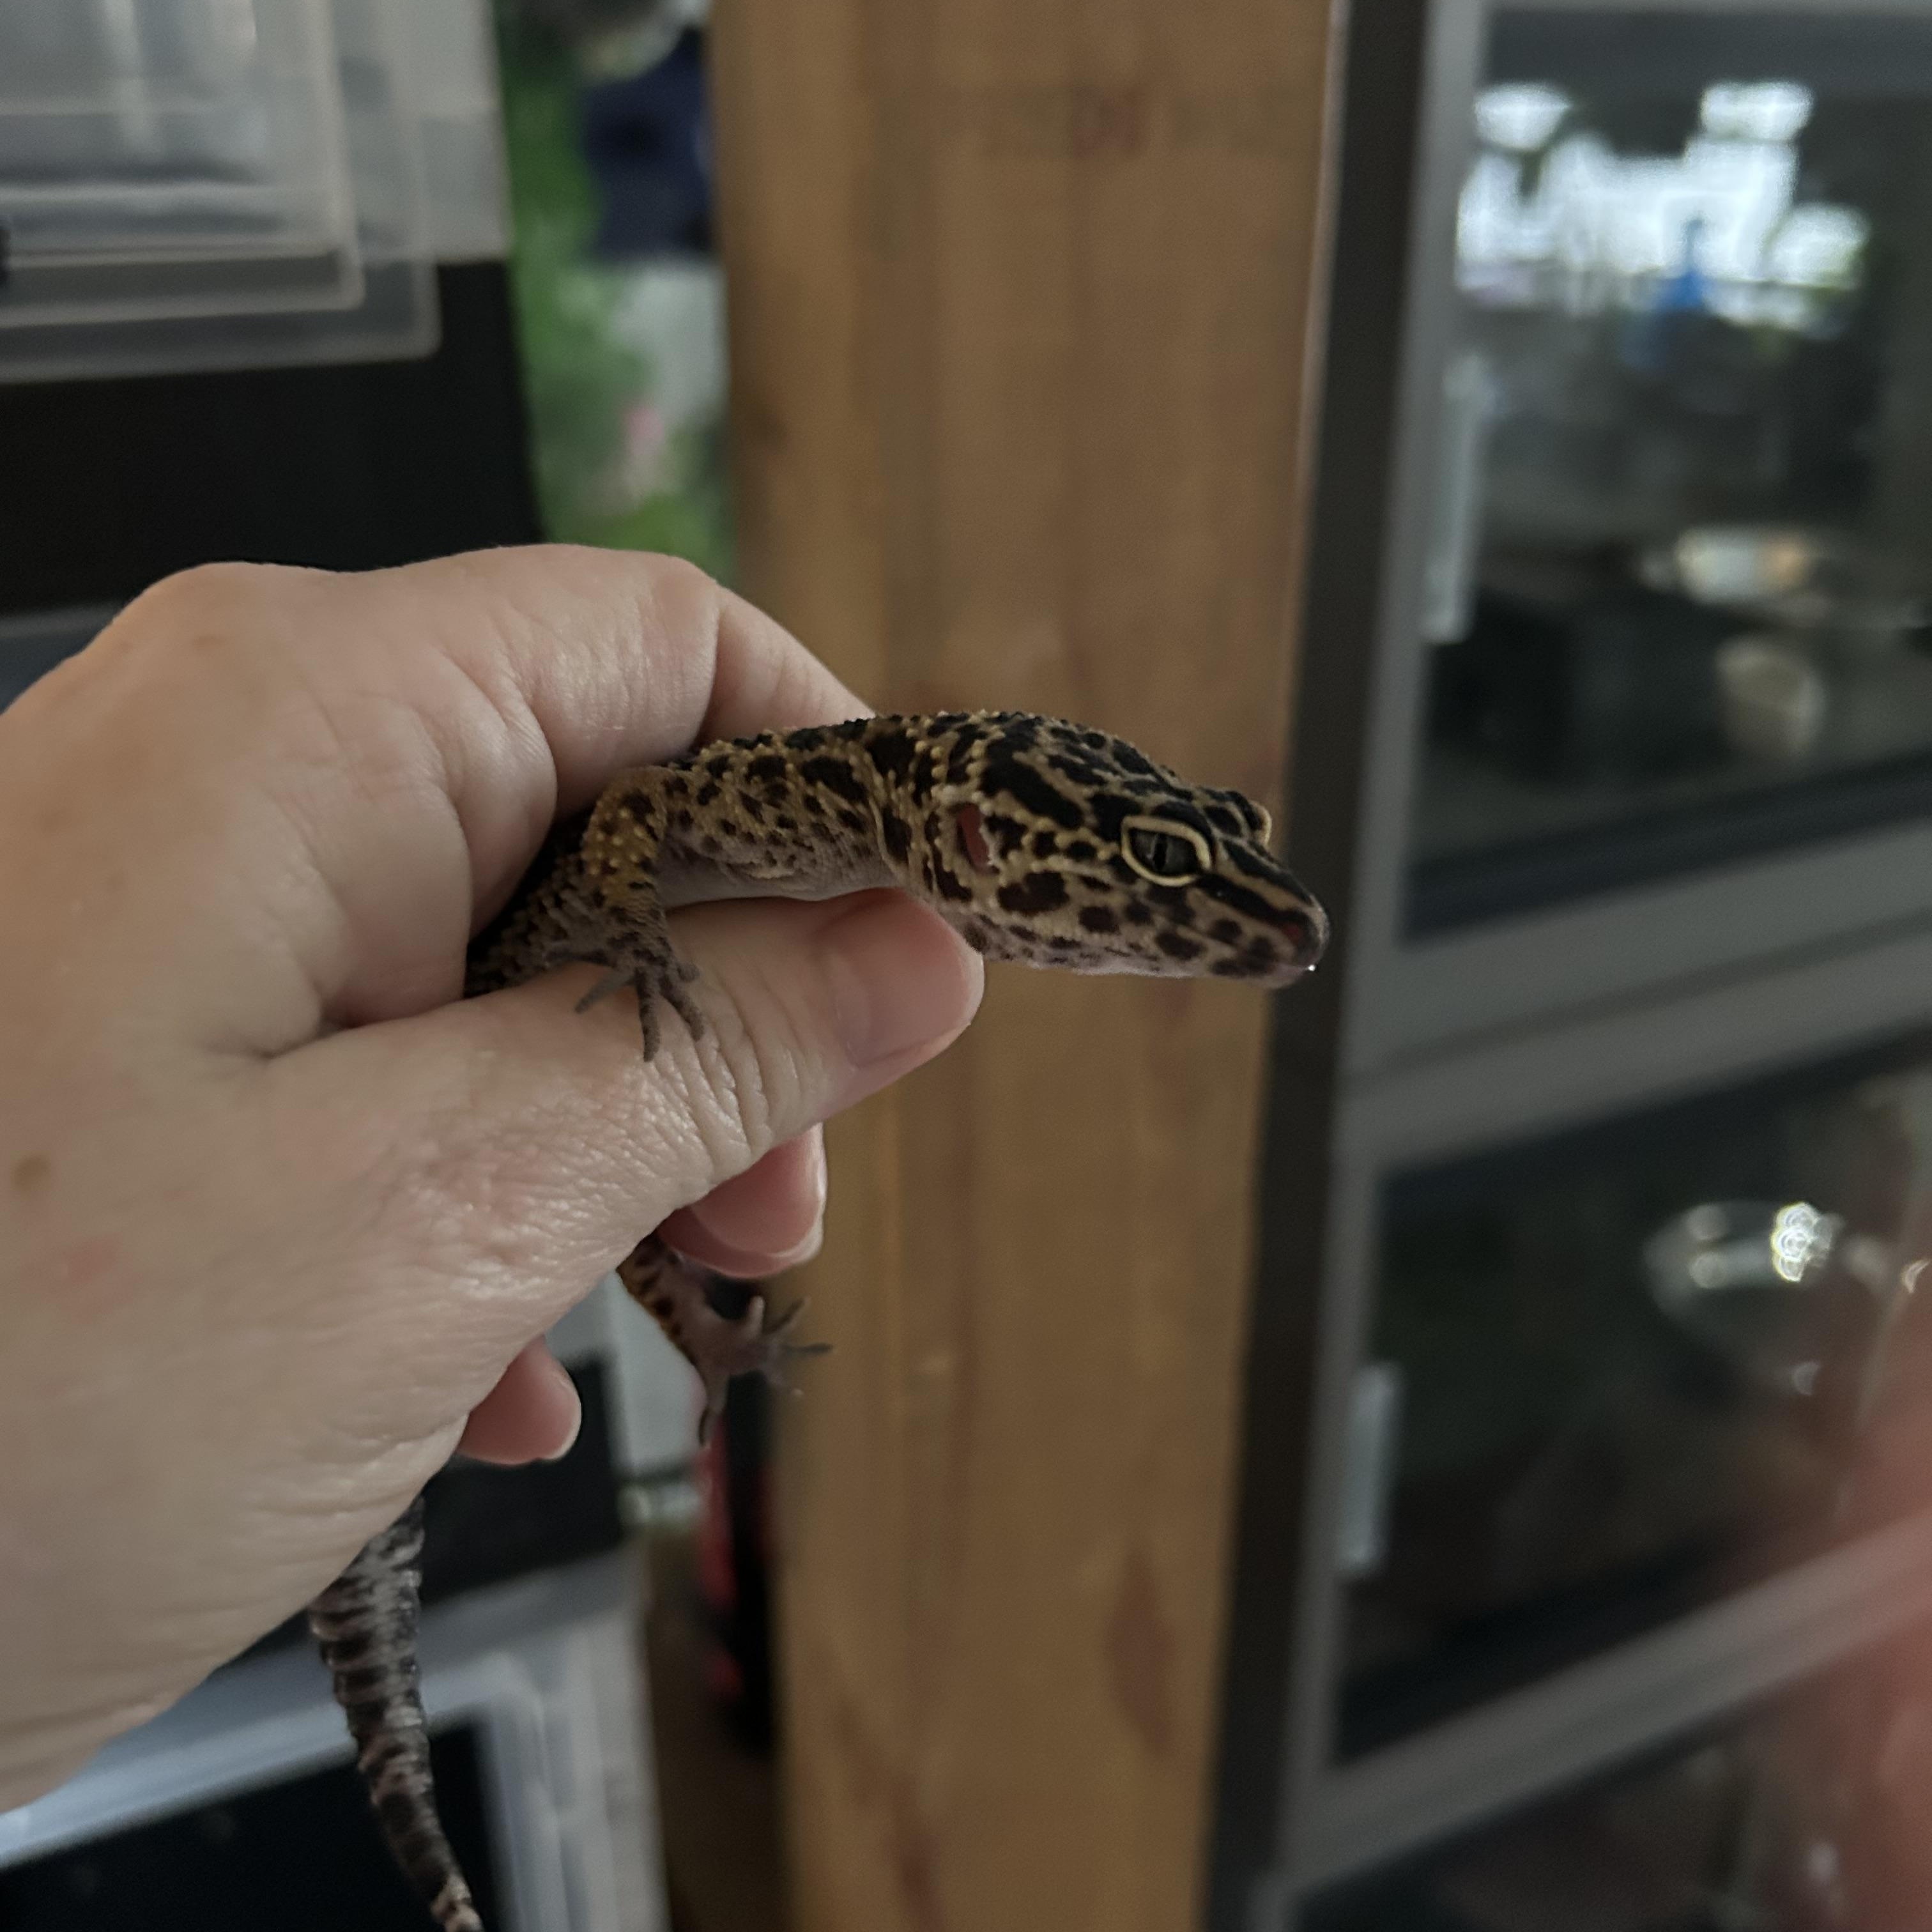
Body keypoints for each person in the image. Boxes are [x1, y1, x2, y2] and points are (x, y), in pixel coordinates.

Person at [0, 547, 984, 1811]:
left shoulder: (838, 819)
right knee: (656, 1210)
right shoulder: (808, 797)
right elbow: (634, 815)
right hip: (491, 998)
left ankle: (702, 1346)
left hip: (414, 1132)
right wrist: (633, 931)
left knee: (643, 1221)